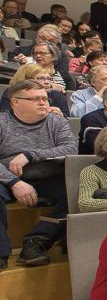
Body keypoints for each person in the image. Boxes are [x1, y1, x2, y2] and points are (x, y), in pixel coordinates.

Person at [0, 81, 75, 268]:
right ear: (15, 102)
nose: (43, 103)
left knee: (78, 192)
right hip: (7, 177)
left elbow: (70, 149)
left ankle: (36, 242)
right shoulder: (2, 122)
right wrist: (14, 182)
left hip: (49, 177)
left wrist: (30, 155)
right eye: (35, 99)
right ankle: (1, 253)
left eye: (44, 98)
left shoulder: (56, 121)